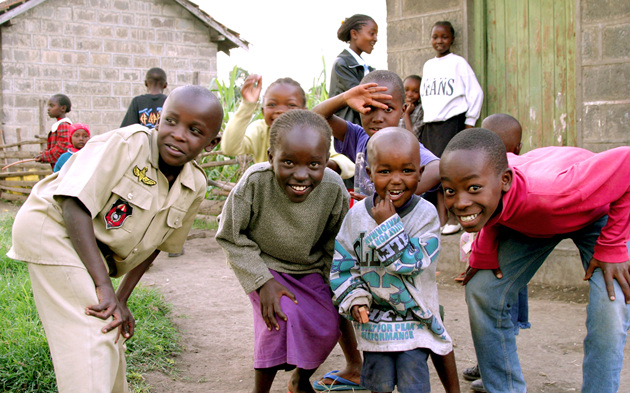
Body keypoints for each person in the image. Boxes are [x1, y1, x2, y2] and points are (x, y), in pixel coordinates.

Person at [8, 85, 223, 393]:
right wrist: (104, 286)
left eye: (195, 130)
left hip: (87, 249)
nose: (178, 134)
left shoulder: (194, 184)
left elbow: (157, 245)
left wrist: (120, 299)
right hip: (52, 228)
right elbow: (73, 204)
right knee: (93, 329)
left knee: (110, 326)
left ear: (211, 142)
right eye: (171, 121)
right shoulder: (127, 144)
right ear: (159, 119)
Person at [439, 128, 630, 393]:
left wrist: (612, 246)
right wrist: (483, 253)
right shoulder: (491, 178)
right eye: (450, 191)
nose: (460, 203)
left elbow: (627, 162)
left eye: (473, 188)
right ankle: (503, 387)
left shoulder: (554, 190)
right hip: (536, 220)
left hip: (594, 212)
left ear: (504, 180)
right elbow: (494, 210)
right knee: (482, 289)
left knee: (611, 304)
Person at [313, 70, 461, 393]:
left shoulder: (411, 157)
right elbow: (312, 120)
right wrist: (344, 98)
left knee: (419, 367)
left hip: (412, 306)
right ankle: (356, 366)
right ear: (368, 170)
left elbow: (439, 166)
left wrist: (400, 194)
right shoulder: (357, 138)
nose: (378, 117)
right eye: (369, 108)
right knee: (377, 381)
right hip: (374, 315)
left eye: (388, 109)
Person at [215, 110, 350, 393]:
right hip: (264, 265)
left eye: (314, 164)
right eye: (288, 162)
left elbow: (333, 242)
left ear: (327, 161)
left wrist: (333, 285)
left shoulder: (334, 189)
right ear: (270, 156)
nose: (300, 175)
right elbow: (230, 234)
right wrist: (262, 282)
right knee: (278, 318)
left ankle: (301, 380)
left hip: (309, 269)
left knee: (327, 326)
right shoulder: (255, 182)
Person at [330, 128, 454, 393]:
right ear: (369, 174)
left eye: (407, 171)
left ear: (420, 174)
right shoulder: (356, 218)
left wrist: (388, 225)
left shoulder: (426, 216)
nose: (396, 180)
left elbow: (412, 263)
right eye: (385, 172)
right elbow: (343, 268)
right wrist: (354, 300)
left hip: (415, 325)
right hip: (374, 327)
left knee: (413, 385)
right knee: (380, 384)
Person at [453, 114, 529, 392]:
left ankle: (495, 373)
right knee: (485, 308)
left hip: (510, 255)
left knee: (501, 317)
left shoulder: (518, 182)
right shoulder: (479, 183)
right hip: (487, 252)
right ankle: (487, 366)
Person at [221, 75, 355, 180]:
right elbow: (230, 147)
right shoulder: (260, 130)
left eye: (291, 105)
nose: (280, 111)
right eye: (272, 105)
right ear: (262, 111)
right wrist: (248, 105)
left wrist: (325, 165)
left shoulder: (314, 133)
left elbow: (348, 164)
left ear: (304, 111)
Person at [420, 21, 484, 235]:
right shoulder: (428, 65)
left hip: (451, 123)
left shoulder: (458, 63)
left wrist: (469, 123)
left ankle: (456, 218)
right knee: (434, 172)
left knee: (452, 172)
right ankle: (442, 218)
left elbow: (475, 93)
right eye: (435, 37)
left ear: (452, 39)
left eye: (444, 37)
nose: (439, 41)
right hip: (431, 125)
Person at [329, 14, 378, 126]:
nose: (375, 38)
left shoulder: (365, 67)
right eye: (372, 33)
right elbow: (361, 98)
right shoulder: (343, 64)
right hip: (349, 131)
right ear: (354, 34)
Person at [37, 93, 73, 169]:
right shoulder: (59, 125)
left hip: (63, 167)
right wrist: (45, 153)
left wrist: (45, 156)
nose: (48, 109)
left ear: (63, 108)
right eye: (48, 106)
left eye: (52, 105)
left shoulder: (64, 125)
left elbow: (61, 149)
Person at [399, 75, 424, 141]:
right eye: (406, 90)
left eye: (415, 91)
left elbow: (413, 138)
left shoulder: (420, 110)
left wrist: (406, 115)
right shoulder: (396, 106)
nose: (410, 94)